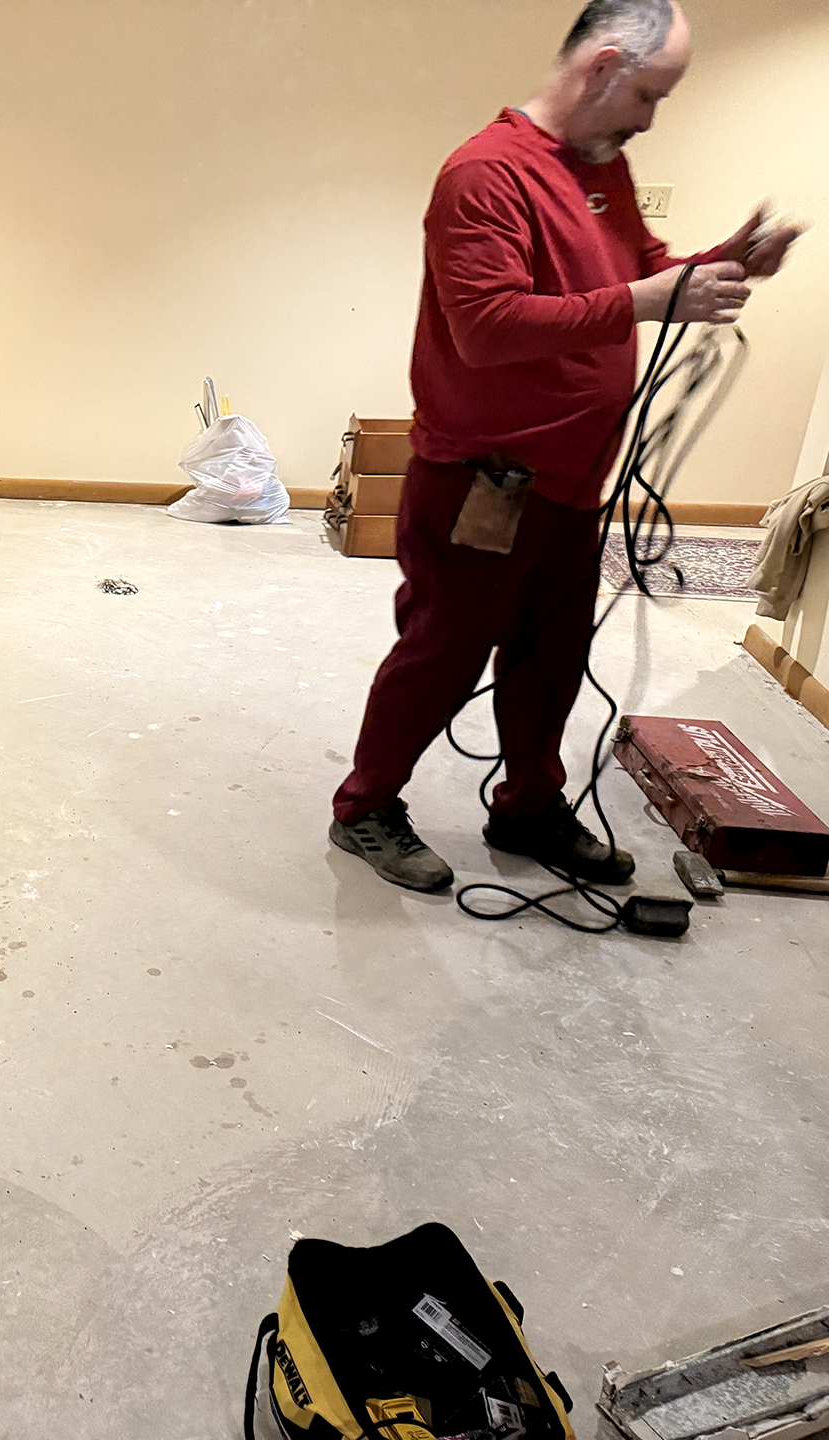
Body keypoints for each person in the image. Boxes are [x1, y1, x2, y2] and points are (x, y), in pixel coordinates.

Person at [330, 0, 803, 893]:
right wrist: (652, 301)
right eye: (649, 95)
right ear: (603, 67)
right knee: (443, 650)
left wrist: (719, 264)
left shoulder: (602, 167)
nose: (649, 120)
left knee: (552, 656)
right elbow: (487, 327)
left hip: (572, 480)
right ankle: (365, 807)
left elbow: (639, 271)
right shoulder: (485, 174)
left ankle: (529, 809)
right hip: (485, 479)